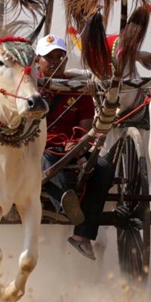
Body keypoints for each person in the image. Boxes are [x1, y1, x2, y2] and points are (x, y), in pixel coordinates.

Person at [37, 34, 115, 261]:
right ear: (37, 61)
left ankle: (82, 236)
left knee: (103, 169)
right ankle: (67, 207)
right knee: (49, 162)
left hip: (72, 149)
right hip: (40, 148)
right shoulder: (29, 88)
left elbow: (85, 126)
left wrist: (79, 145)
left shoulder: (79, 90)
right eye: (49, 57)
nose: (55, 62)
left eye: (60, 57)